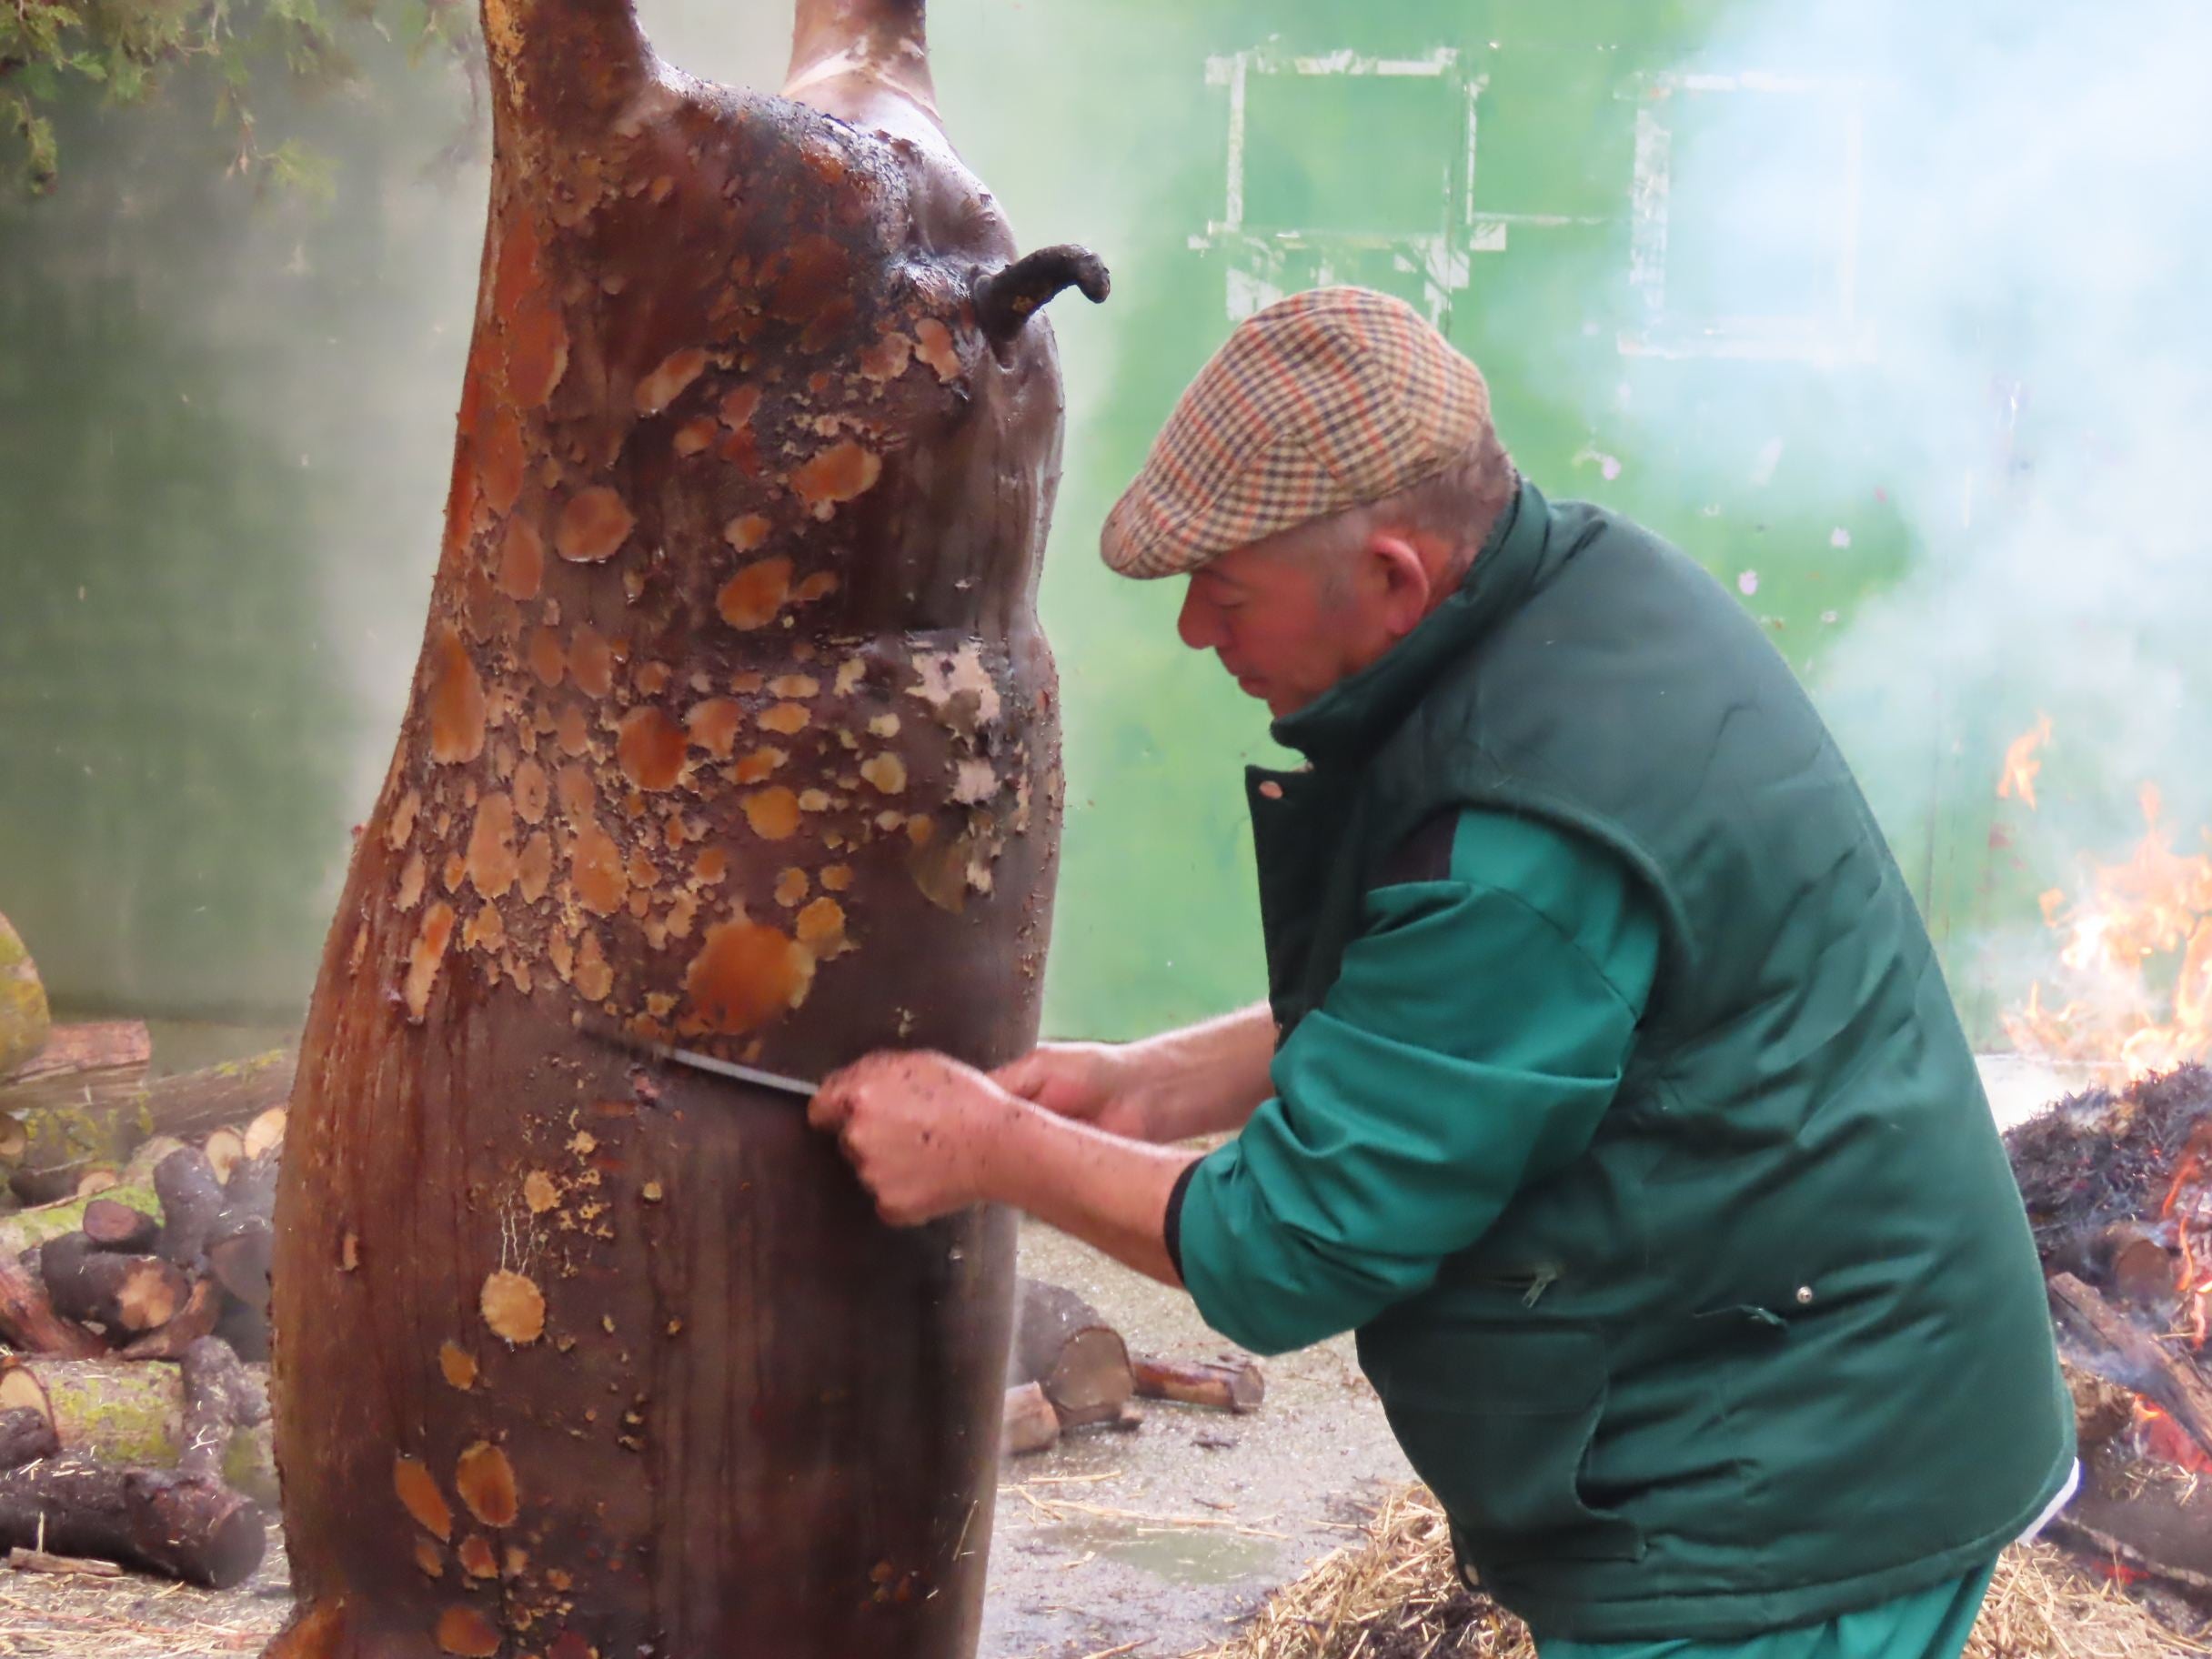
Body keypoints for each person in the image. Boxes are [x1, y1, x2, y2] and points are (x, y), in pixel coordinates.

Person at [808, 287, 2075, 1657]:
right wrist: (1152, 1084)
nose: (1191, 633)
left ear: (1397, 576)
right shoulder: (1584, 598)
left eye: (1224, 593)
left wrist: (994, 1151)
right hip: (1847, 1402)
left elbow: (1290, 1243)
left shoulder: (1531, 823)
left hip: (1782, 1516)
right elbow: (1499, 1018)